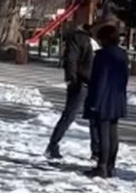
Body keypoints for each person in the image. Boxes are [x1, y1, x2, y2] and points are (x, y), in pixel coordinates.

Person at [82, 24, 129, 178]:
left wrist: (95, 101)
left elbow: (100, 80)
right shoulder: (123, 54)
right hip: (117, 97)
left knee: (103, 134)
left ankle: (101, 166)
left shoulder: (102, 56)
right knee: (113, 132)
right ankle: (110, 165)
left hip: (104, 99)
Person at [45, 23, 97, 160]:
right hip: (81, 82)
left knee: (95, 117)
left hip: (94, 83)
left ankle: (96, 151)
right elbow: (71, 59)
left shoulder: (98, 41)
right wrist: (72, 79)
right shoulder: (79, 38)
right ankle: (53, 145)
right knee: (70, 115)